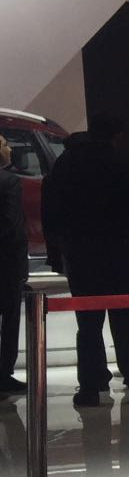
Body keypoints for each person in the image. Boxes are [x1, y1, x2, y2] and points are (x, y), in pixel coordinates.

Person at [40, 112, 129, 408]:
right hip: (122, 253)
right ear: (117, 135)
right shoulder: (126, 164)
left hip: (82, 254)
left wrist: (60, 250)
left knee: (88, 324)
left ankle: (91, 386)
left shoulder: (66, 165)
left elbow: (51, 212)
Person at [0, 137, 24, 394]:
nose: (9, 149)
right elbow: (12, 227)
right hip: (6, 263)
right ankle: (4, 373)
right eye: (5, 144)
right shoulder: (9, 182)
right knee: (9, 319)